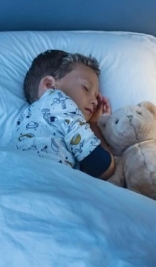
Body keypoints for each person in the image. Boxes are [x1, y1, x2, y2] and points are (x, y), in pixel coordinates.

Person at [13, 49, 116, 180]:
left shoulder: (24, 118)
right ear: (50, 85)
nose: (95, 101)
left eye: (96, 96)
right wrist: (94, 124)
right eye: (86, 88)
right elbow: (104, 167)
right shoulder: (59, 102)